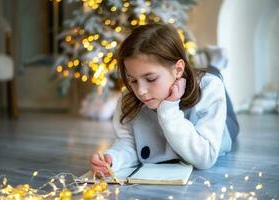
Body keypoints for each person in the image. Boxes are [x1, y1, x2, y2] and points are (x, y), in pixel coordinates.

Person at [90, 23, 239, 176]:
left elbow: (204, 158)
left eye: (151, 78)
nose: (140, 91)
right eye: (132, 80)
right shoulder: (128, 98)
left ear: (178, 70)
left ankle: (215, 65)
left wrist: (169, 110)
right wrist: (113, 159)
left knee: (214, 76)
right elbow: (130, 145)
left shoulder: (210, 87)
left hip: (225, 127)